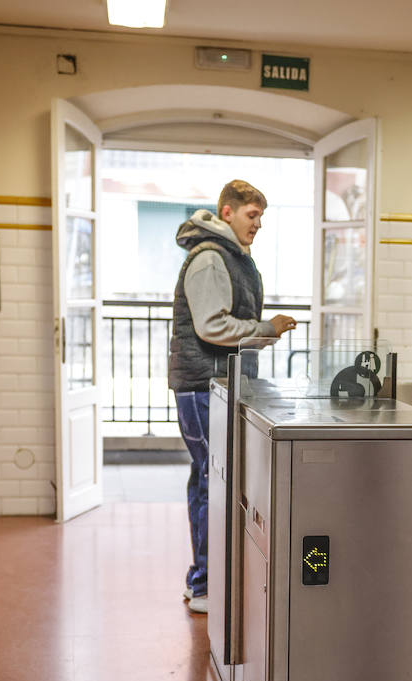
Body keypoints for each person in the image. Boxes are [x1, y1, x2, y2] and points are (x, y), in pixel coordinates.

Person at [169, 180, 296, 613]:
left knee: (207, 479)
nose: (258, 224)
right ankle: (205, 586)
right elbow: (211, 326)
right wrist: (266, 328)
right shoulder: (209, 258)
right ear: (227, 212)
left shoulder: (232, 258)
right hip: (204, 386)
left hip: (216, 385)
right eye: (251, 215)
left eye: (261, 216)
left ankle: (201, 579)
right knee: (212, 481)